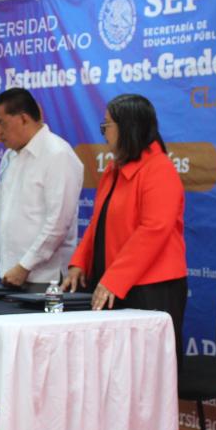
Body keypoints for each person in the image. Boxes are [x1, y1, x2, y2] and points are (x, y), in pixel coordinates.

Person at [62, 94, 187, 361]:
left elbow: (154, 230)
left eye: (107, 125)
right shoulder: (115, 168)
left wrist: (113, 280)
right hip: (117, 282)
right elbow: (99, 221)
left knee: (146, 368)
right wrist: (79, 262)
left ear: (128, 127)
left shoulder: (159, 169)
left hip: (150, 289)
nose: (103, 132)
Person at [0, 89, 83, 291]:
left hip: (46, 279)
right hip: (8, 274)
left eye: (1, 123)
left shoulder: (58, 155)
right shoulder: (9, 157)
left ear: (23, 119)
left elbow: (58, 223)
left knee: (45, 312)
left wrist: (25, 266)